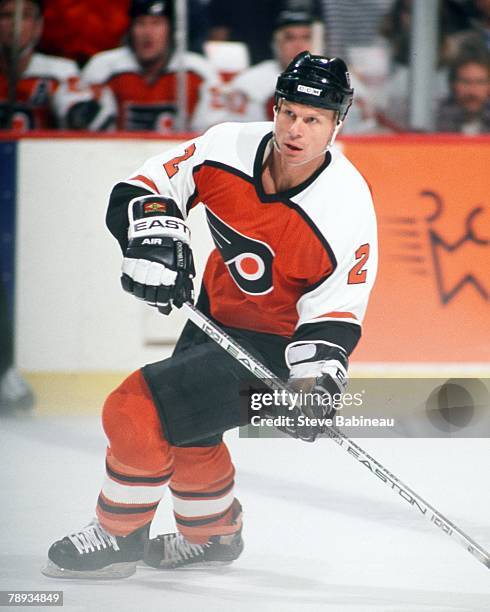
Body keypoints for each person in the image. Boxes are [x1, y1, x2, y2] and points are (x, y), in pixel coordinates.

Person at [42, 51, 377, 579]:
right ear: (276, 107)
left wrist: (313, 382)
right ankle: (212, 534)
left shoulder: (347, 207)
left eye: (313, 120)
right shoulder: (227, 145)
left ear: (338, 122)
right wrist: (151, 233)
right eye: (289, 112)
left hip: (271, 347)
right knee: (190, 433)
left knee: (133, 410)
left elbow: (336, 312)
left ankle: (118, 535)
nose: (296, 129)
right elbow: (147, 184)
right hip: (212, 316)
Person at [71, 0, 224, 132]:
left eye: (156, 23)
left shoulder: (199, 71)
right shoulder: (104, 67)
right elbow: (90, 130)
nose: (147, 33)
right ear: (130, 30)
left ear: (171, 30)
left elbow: (212, 130)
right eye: (140, 23)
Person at [225, 9, 377, 133]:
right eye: (290, 38)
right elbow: (240, 133)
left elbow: (364, 135)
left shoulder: (344, 82)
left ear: (320, 41)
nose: (299, 45)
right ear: (275, 44)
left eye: (306, 37)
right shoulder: (248, 83)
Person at [0, 0, 79, 130]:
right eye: (7, 15)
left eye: (25, 16)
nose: (15, 24)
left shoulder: (60, 72)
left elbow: (77, 112)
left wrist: (75, 111)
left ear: (38, 26)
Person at [436, 53, 490, 133]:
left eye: (480, 82)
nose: (472, 91)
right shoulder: (434, 119)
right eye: (465, 82)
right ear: (453, 85)